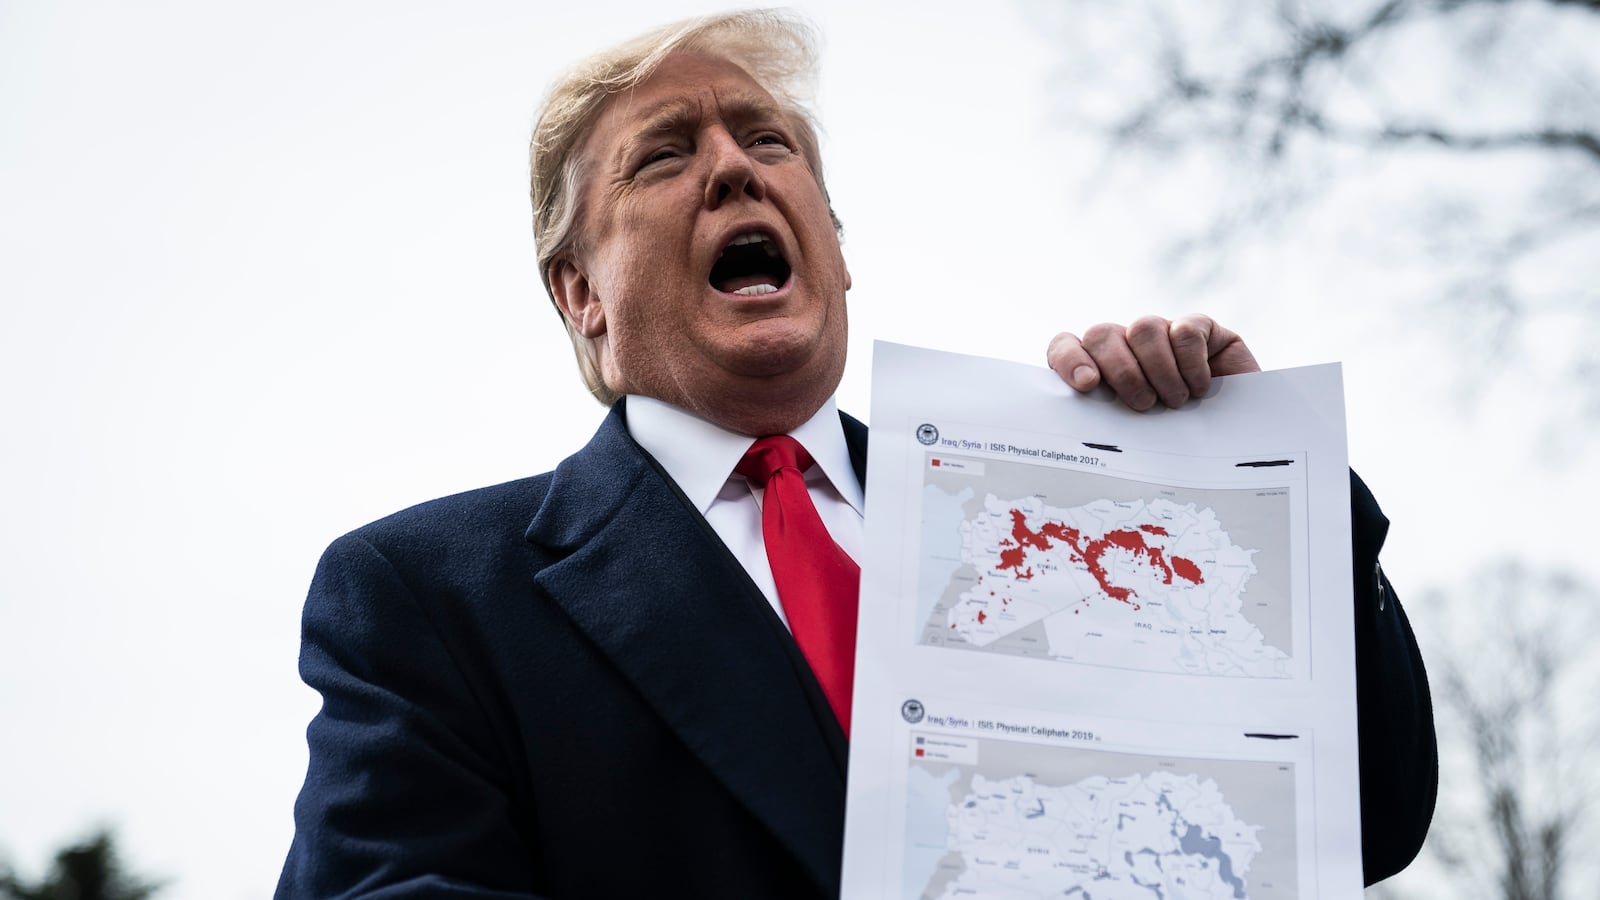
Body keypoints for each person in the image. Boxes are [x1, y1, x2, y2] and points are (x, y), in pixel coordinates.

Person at [276, 10, 1436, 899]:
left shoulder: (1070, 516)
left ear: (834, 247)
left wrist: (1250, 499)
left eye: (766, 139)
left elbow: (1367, 826)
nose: (734, 168)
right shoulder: (426, 597)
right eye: (664, 155)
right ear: (580, 291)